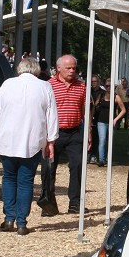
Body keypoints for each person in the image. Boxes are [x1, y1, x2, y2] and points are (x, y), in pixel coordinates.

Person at [0, 57, 58, 235]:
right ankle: (21, 222)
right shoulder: (45, 86)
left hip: (8, 139)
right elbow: (52, 116)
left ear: (19, 69)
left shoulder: (7, 85)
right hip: (32, 140)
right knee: (26, 182)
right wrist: (51, 140)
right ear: (37, 71)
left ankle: (9, 218)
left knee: (9, 178)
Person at [48, 54, 87, 214]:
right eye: (68, 68)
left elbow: (85, 109)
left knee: (77, 165)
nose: (72, 71)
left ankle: (75, 203)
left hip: (74, 131)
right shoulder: (49, 85)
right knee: (49, 168)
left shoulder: (82, 86)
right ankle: (49, 203)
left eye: (74, 68)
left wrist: (89, 130)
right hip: (54, 133)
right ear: (58, 68)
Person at [95, 77, 126, 166]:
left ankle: (108, 159)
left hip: (111, 122)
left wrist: (116, 119)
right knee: (102, 140)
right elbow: (95, 106)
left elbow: (123, 110)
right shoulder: (101, 95)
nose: (109, 88)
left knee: (109, 141)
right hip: (101, 121)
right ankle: (101, 160)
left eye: (110, 86)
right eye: (107, 86)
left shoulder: (116, 97)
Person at [88, 74, 106, 164]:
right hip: (88, 116)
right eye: (92, 82)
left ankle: (94, 155)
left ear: (98, 82)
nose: (94, 83)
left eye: (95, 81)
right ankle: (88, 154)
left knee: (96, 137)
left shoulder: (102, 92)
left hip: (99, 117)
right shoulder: (88, 91)